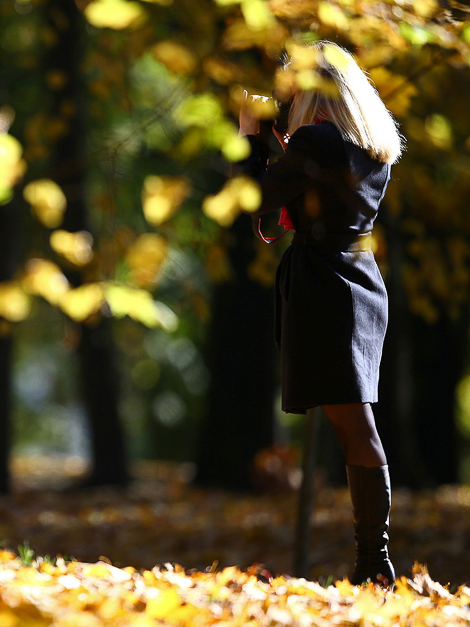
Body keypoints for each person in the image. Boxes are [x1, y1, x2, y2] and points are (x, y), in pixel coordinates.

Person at [238, 41, 403, 585]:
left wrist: (251, 139)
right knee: (355, 422)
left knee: (355, 425)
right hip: (358, 281)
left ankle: (374, 565)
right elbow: (299, 194)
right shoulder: (366, 145)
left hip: (327, 289)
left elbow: (257, 196)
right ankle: (372, 562)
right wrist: (275, 143)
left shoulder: (316, 139)